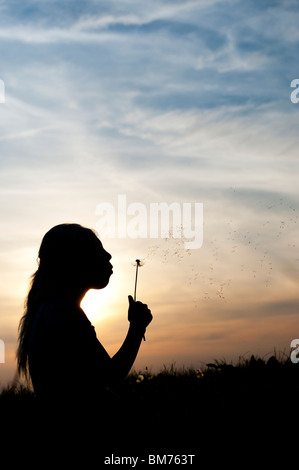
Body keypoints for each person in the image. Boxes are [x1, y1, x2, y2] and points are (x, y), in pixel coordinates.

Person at [17, 223, 153, 416]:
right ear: (74, 261)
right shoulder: (62, 315)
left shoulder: (53, 311)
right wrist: (137, 328)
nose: (108, 256)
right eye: (97, 249)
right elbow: (111, 376)